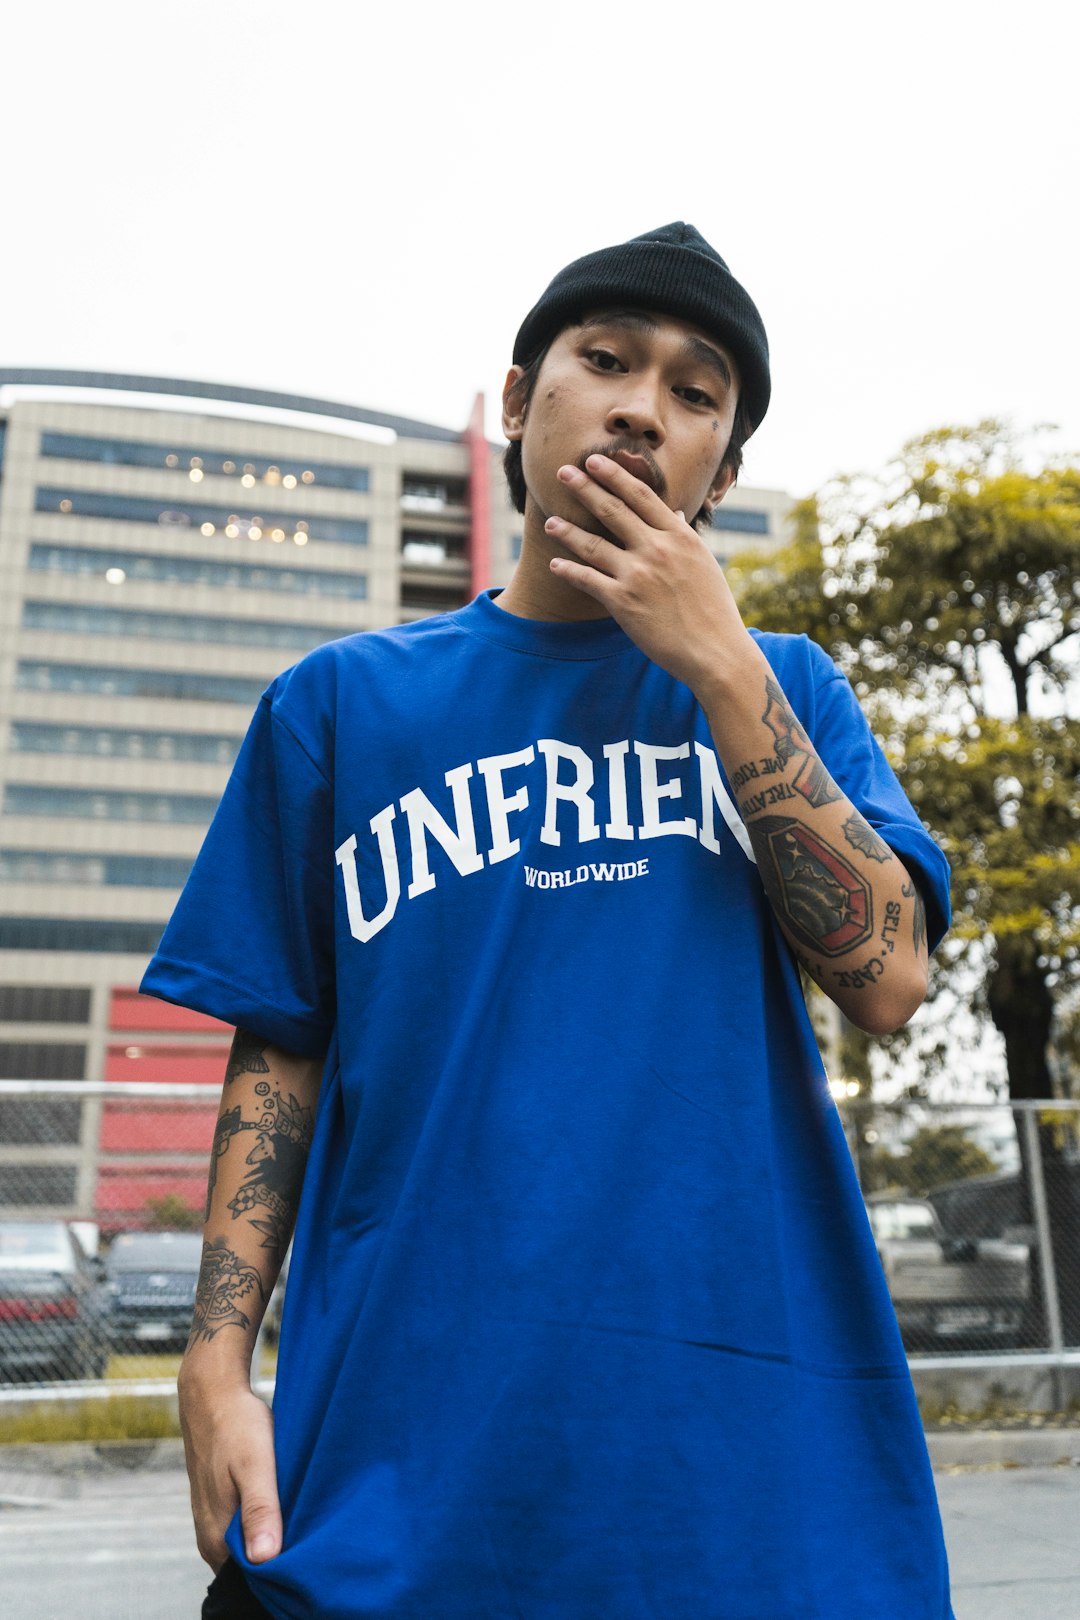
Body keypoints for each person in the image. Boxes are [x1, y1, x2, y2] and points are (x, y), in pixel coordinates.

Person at [143, 222, 956, 1619]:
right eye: (606, 362)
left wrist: (716, 666)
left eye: (697, 393)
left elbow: (888, 977)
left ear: (721, 472)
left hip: (748, 1498)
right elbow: (280, 1053)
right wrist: (215, 1366)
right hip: (394, 1485)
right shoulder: (339, 708)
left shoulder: (788, 691)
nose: (645, 405)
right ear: (521, 404)